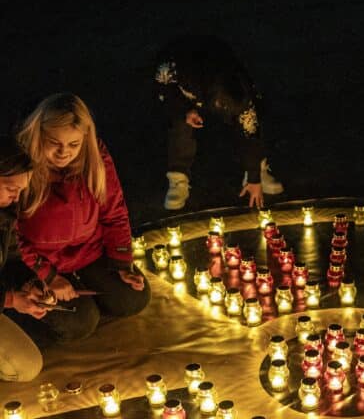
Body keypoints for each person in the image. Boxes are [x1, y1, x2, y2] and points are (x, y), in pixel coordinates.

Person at [14, 93, 150, 342]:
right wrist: (49, 277)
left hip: (89, 253)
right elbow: (14, 236)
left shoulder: (94, 159)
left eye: (74, 145)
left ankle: (87, 298)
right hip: (38, 263)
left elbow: (115, 212)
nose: (64, 152)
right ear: (38, 135)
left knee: (133, 298)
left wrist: (121, 263)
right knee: (81, 323)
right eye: (54, 142)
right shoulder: (20, 165)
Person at [154, 34, 284, 210]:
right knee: (179, 125)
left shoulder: (241, 90)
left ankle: (258, 169)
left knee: (250, 124)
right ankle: (178, 179)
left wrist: (254, 178)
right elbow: (165, 91)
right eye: (222, 106)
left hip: (221, 68)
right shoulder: (172, 68)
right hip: (185, 75)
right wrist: (185, 110)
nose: (224, 110)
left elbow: (251, 133)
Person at [0, 136, 45, 381]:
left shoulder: (4, 212)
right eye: (11, 189)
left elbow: (12, 258)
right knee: (24, 367)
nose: (16, 198)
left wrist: (28, 283)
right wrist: (9, 300)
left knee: (27, 364)